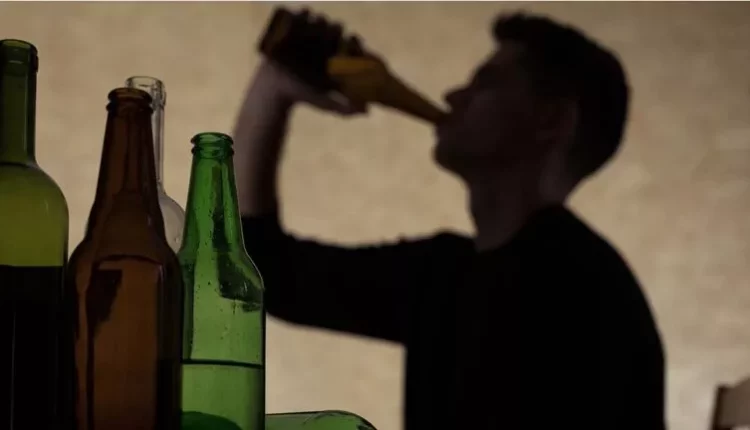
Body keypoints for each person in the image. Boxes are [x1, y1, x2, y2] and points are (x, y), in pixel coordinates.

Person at [233, 12, 667, 430]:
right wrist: (273, 88)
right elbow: (265, 272)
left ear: (551, 121)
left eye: (486, 83)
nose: (453, 96)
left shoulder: (580, 290)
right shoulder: (445, 275)